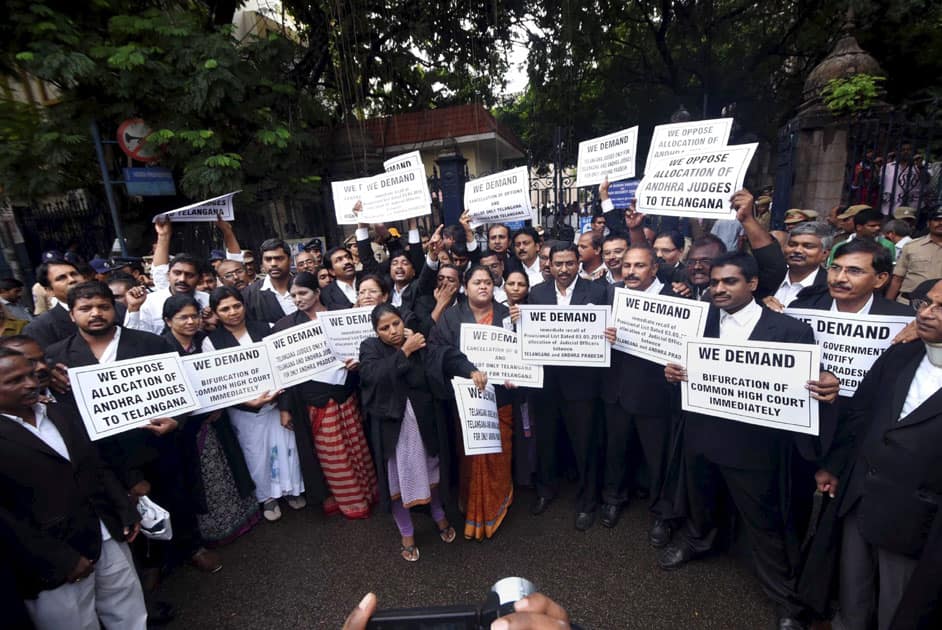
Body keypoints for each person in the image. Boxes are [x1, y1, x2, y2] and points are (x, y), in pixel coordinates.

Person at [658, 252, 839, 629]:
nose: (718, 289)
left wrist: (824, 383)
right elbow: (679, 365)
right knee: (700, 498)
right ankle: (698, 540)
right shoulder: (697, 321)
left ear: (753, 284)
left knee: (765, 522)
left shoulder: (790, 332)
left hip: (755, 447)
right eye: (714, 282)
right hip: (702, 433)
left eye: (730, 282)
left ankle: (786, 598)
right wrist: (673, 373)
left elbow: (805, 386)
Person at [815, 279, 942, 630]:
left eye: (940, 308)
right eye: (926, 304)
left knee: (899, 605)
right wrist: (835, 467)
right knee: (853, 589)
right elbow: (862, 413)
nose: (926, 314)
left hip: (917, 516)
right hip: (861, 493)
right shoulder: (903, 352)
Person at [0, 348, 148, 629]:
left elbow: (95, 464)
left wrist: (124, 509)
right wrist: (61, 559)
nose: (31, 383)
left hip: (106, 534)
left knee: (128, 609)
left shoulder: (58, 412)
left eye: (31, 375)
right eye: (15, 380)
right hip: (52, 561)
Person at [272, 273, 377, 519]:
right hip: (314, 399)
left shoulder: (340, 314)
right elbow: (283, 373)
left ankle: (369, 492)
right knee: (332, 454)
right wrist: (285, 408)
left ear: (317, 293)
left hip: (346, 393)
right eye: (294, 295)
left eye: (303, 293)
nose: (298, 299)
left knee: (357, 446)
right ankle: (348, 501)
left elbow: (364, 345)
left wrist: (360, 362)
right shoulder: (285, 326)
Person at [160, 295, 260, 545]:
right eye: (183, 317)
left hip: (217, 419)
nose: (190, 322)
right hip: (186, 427)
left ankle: (240, 517)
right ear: (167, 321)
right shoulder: (162, 348)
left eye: (194, 316)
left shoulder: (204, 342)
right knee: (200, 480)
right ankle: (211, 531)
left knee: (227, 468)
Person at [359, 303, 454, 561]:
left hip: (423, 422)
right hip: (394, 428)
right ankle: (407, 531)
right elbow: (372, 375)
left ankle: (438, 514)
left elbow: (434, 370)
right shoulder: (370, 348)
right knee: (398, 479)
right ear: (376, 332)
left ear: (403, 321)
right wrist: (404, 352)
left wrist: (414, 348)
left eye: (395, 324)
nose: (392, 331)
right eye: (384, 328)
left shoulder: (417, 339)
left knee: (430, 468)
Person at [202, 287, 305, 522]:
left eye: (236, 306)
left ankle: (291, 490)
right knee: (257, 455)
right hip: (245, 411)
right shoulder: (211, 342)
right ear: (216, 313)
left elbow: (284, 367)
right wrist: (248, 401)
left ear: (244, 305)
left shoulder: (266, 328)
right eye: (225, 309)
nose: (232, 312)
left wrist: (285, 407)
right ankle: (267, 497)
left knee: (286, 448)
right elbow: (219, 381)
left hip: (277, 405)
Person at [428, 265, 514, 540]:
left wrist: (516, 374)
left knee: (498, 456)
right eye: (477, 282)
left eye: (488, 282)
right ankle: (474, 509)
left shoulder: (506, 315)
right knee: (471, 458)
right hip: (468, 402)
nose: (483, 287)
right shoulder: (451, 317)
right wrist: (468, 369)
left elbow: (522, 351)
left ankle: (497, 505)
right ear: (466, 287)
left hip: (501, 399)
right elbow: (439, 351)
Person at [600, 246, 679, 543]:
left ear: (655, 268)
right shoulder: (612, 293)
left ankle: (662, 514)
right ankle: (614, 499)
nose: (630, 271)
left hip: (655, 395)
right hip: (616, 390)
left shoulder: (677, 300)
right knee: (615, 451)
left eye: (639, 266)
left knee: (658, 459)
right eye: (627, 265)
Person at [527, 243, 608, 531]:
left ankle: (587, 502)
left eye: (569, 263)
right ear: (548, 264)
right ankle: (545, 491)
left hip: (583, 384)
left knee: (585, 443)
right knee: (546, 440)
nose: (563, 269)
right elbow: (530, 335)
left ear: (578, 263)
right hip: (546, 383)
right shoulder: (537, 294)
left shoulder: (598, 292)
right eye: (558, 263)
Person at [763, 222, 833, 312]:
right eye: (792, 245)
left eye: (808, 246)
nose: (797, 250)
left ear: (825, 254)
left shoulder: (831, 289)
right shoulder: (769, 279)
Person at [886, 207, 942, 303]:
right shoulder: (911, 246)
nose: (941, 223)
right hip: (908, 302)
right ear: (928, 223)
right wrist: (887, 304)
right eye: (937, 220)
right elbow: (897, 279)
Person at [242, 238, 297, 323]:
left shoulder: (306, 285)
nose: (273, 264)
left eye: (279, 258)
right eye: (268, 259)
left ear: (290, 260)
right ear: (262, 262)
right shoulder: (249, 295)